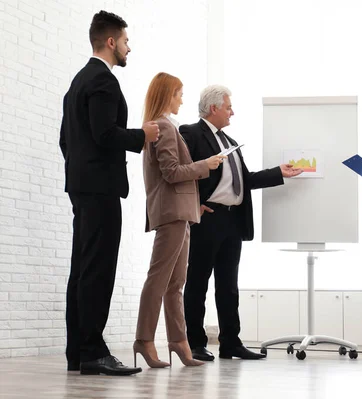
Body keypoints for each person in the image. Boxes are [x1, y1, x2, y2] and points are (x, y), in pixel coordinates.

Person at [59, 10, 159, 376]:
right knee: (97, 271)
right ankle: (94, 351)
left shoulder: (77, 83)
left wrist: (80, 172)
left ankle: (79, 354)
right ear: (112, 41)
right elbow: (105, 135)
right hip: (100, 190)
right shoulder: (103, 81)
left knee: (83, 271)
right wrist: (142, 136)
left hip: (82, 187)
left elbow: (66, 140)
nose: (130, 48)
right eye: (127, 41)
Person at [180, 85, 302, 361]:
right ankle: (195, 343)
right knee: (198, 282)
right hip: (206, 218)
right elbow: (181, 173)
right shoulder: (190, 133)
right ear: (214, 108)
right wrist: (192, 205)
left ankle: (230, 343)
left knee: (229, 285)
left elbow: (243, 180)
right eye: (228, 107)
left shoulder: (229, 140)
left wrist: (278, 173)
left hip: (232, 221)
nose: (232, 112)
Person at [133, 73, 226, 368]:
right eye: (179, 94)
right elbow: (172, 172)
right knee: (159, 280)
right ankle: (144, 339)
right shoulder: (162, 126)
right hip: (172, 213)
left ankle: (178, 342)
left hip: (181, 213)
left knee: (175, 283)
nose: (182, 100)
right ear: (167, 95)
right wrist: (205, 165)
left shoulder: (164, 126)